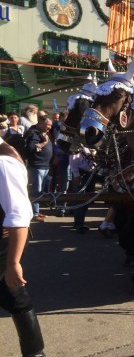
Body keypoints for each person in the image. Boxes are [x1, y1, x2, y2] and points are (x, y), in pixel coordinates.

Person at [0, 137, 45, 356]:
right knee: (14, 297)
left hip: (2, 245)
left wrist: (13, 263)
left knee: (16, 297)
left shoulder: (4, 163)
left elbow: (18, 216)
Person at [25, 116, 53, 222]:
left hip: (45, 166)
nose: (49, 127)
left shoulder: (42, 132)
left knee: (40, 191)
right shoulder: (33, 133)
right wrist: (44, 143)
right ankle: (34, 214)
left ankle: (36, 211)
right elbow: (31, 149)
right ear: (40, 124)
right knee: (35, 191)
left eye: (50, 125)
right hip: (37, 167)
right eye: (48, 125)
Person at [69, 148, 96, 234]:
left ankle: (79, 223)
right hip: (81, 174)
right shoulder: (77, 145)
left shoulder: (86, 146)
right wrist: (76, 175)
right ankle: (79, 224)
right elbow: (73, 159)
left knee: (86, 200)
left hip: (89, 173)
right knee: (79, 200)